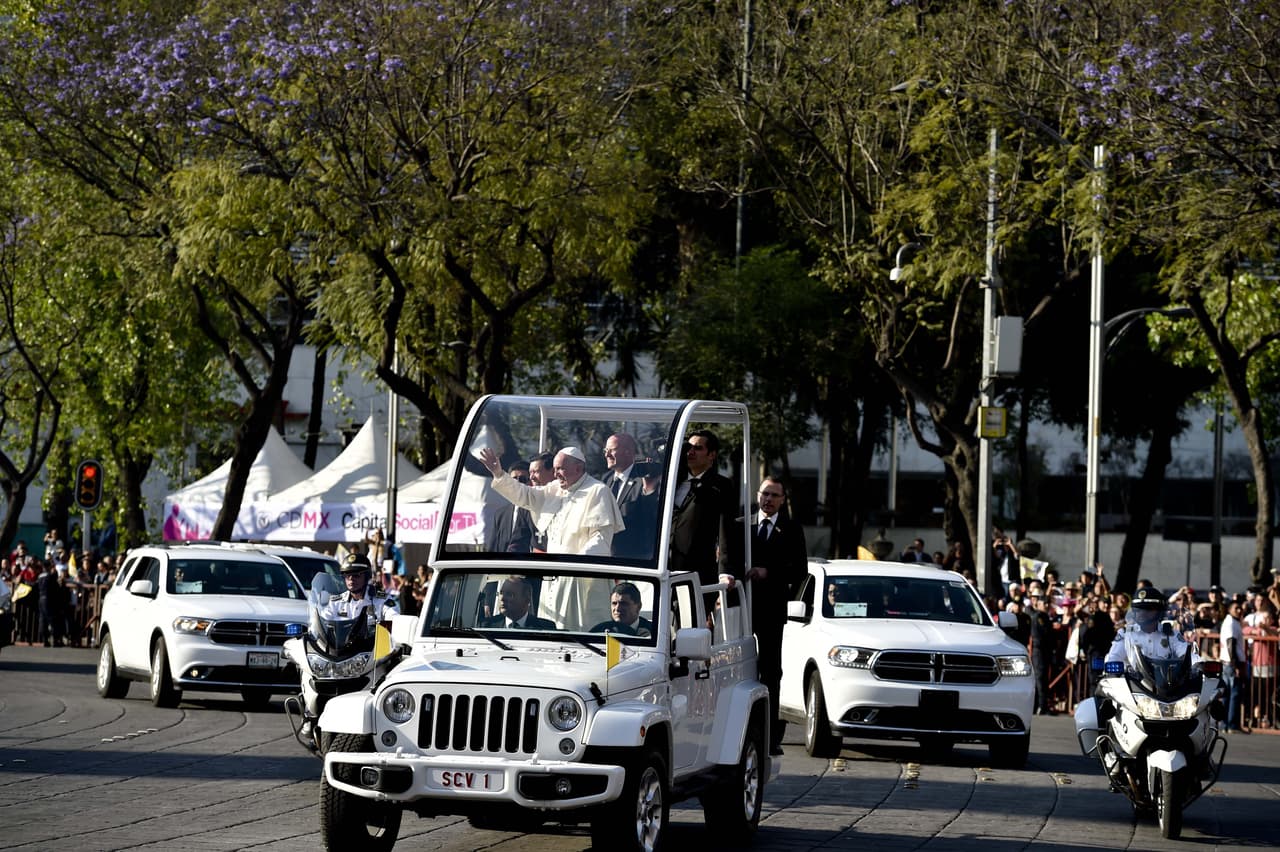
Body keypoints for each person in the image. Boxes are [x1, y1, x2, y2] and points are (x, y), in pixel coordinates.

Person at [744, 475, 808, 755]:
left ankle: (770, 737)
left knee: (770, 671)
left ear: (783, 500)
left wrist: (769, 572)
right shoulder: (742, 524)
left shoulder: (791, 529)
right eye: (764, 494)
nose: (768, 500)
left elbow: (800, 570)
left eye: (774, 495)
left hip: (771, 610)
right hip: (742, 608)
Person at [480, 446, 624, 556]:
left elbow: (600, 539)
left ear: (578, 468)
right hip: (554, 572)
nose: (555, 474)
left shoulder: (598, 491)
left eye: (560, 469)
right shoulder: (554, 489)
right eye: (554, 469)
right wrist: (498, 473)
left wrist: (576, 565)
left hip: (580, 573)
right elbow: (525, 495)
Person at [669, 431, 742, 601]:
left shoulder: (721, 486)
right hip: (666, 570)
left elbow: (726, 530)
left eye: (698, 448)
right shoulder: (672, 481)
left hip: (698, 573)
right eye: (688, 448)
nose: (690, 452)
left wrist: (725, 571)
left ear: (712, 455)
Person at [1106, 587, 1200, 667]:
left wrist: (1199, 664)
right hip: (1132, 682)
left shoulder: (1171, 634)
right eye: (1138, 609)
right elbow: (1113, 658)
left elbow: (1188, 655)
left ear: (1159, 612)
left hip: (1166, 682)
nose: (1141, 613)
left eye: (1147, 609)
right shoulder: (1125, 634)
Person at [603, 433, 659, 560]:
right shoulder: (606, 480)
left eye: (611, 450)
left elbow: (650, 518)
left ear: (627, 452)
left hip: (635, 558)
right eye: (605, 450)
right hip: (608, 555)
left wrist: (649, 490)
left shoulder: (643, 480)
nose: (607, 455)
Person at [323, 553, 398, 622]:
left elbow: (394, 618)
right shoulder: (336, 602)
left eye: (356, 575)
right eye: (347, 575)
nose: (351, 578)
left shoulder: (382, 600)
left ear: (367, 576)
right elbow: (323, 621)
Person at [484, 460, 530, 553]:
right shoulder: (501, 515)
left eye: (522, 479)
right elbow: (493, 547)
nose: (517, 484)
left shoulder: (537, 511)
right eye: (513, 480)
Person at [481, 577, 556, 630]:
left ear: (527, 600)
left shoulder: (546, 628)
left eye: (509, 594)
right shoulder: (486, 626)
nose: (502, 598)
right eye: (501, 593)